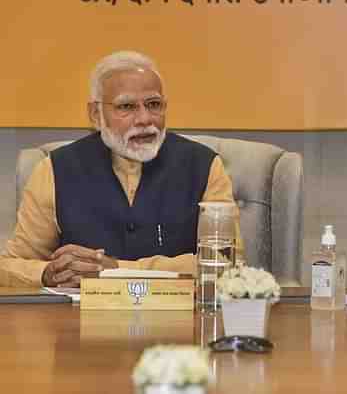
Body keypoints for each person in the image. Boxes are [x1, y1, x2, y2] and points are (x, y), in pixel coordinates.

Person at [0, 50, 241, 287]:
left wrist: (117, 270)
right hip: (79, 323)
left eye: (154, 104)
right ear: (95, 114)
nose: (145, 119)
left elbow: (228, 263)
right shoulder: (55, 169)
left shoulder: (204, 166)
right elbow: (11, 264)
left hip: (181, 321)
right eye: (126, 107)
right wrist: (48, 273)